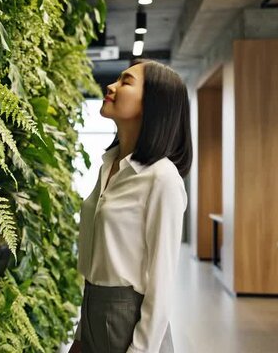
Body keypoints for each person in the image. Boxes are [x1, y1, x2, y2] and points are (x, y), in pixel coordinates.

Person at [68, 59, 192, 353]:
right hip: (92, 311)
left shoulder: (162, 178)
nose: (110, 86)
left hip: (129, 324)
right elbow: (98, 264)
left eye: (125, 82)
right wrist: (81, 334)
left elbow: (161, 285)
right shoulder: (109, 165)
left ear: (153, 104)